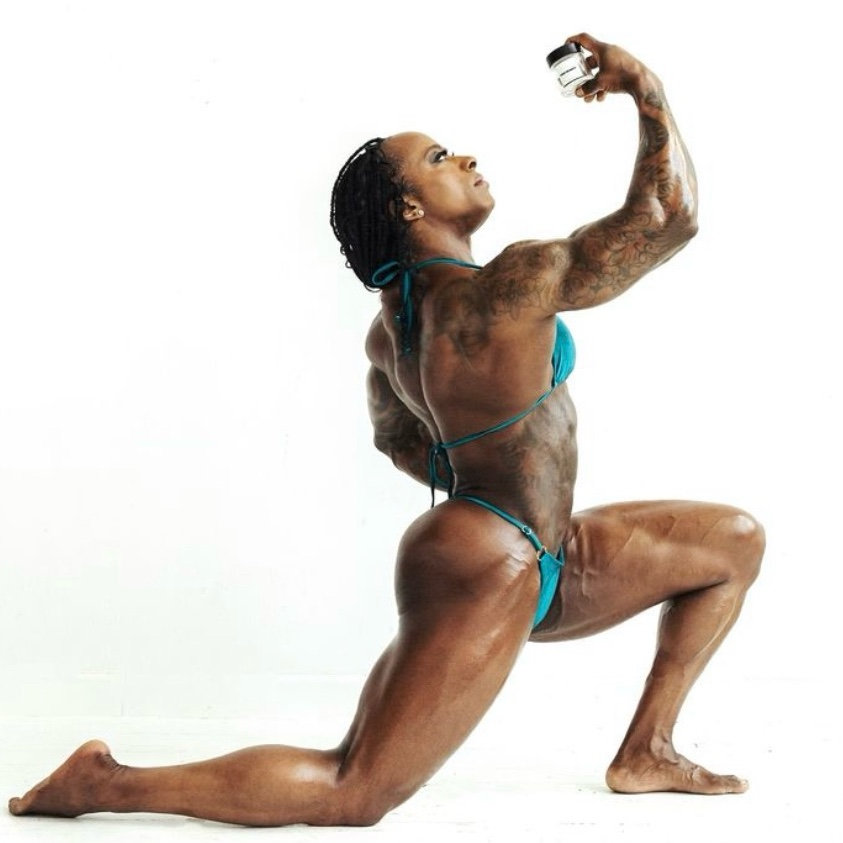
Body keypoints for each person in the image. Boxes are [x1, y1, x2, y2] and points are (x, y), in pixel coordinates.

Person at [8, 33, 764, 828]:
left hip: (545, 549)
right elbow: (667, 217)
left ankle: (646, 749)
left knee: (731, 543)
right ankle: (106, 782)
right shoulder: (512, 280)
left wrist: (486, 467)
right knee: (355, 787)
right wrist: (641, 84)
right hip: (492, 556)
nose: (465, 158)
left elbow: (397, 439)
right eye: (439, 158)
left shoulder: (392, 328)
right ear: (409, 207)